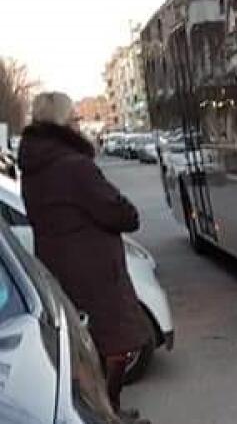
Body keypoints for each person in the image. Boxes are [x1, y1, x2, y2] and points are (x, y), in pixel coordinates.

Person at [17, 92, 151, 423]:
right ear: (63, 123)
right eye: (74, 118)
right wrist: (126, 210)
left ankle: (103, 411)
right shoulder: (74, 166)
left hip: (55, 267)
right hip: (94, 271)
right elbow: (118, 212)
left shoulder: (33, 168)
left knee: (82, 351)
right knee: (117, 345)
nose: (79, 123)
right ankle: (109, 414)